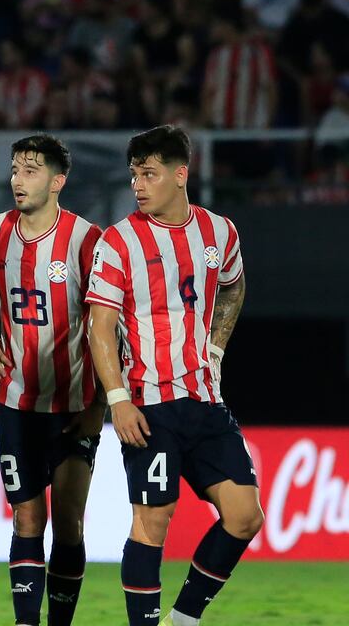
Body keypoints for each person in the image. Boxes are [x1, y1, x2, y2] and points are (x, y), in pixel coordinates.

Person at [85, 125, 261, 626]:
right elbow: (99, 327)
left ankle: (183, 620)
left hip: (205, 402)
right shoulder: (119, 241)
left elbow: (233, 287)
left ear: (180, 175)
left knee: (245, 517)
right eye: (134, 175)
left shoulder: (219, 232)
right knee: (153, 521)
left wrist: (217, 350)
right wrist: (118, 399)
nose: (138, 185)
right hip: (148, 402)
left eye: (149, 174)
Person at [0, 134, 105, 626]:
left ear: (58, 181)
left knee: (67, 524)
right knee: (27, 518)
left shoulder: (87, 240)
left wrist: (100, 404)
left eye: (30, 170)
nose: (17, 180)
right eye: (15, 169)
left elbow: (112, 325)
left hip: (73, 404)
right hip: (16, 403)